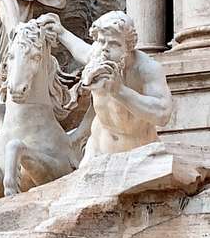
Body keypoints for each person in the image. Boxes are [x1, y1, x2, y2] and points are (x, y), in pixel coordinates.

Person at [38, 9, 172, 162]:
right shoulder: (98, 55)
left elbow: (162, 114)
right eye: (101, 41)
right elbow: (81, 50)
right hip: (97, 150)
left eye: (114, 44)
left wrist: (119, 91)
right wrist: (61, 32)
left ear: (128, 47)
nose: (104, 49)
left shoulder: (147, 69)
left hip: (138, 153)